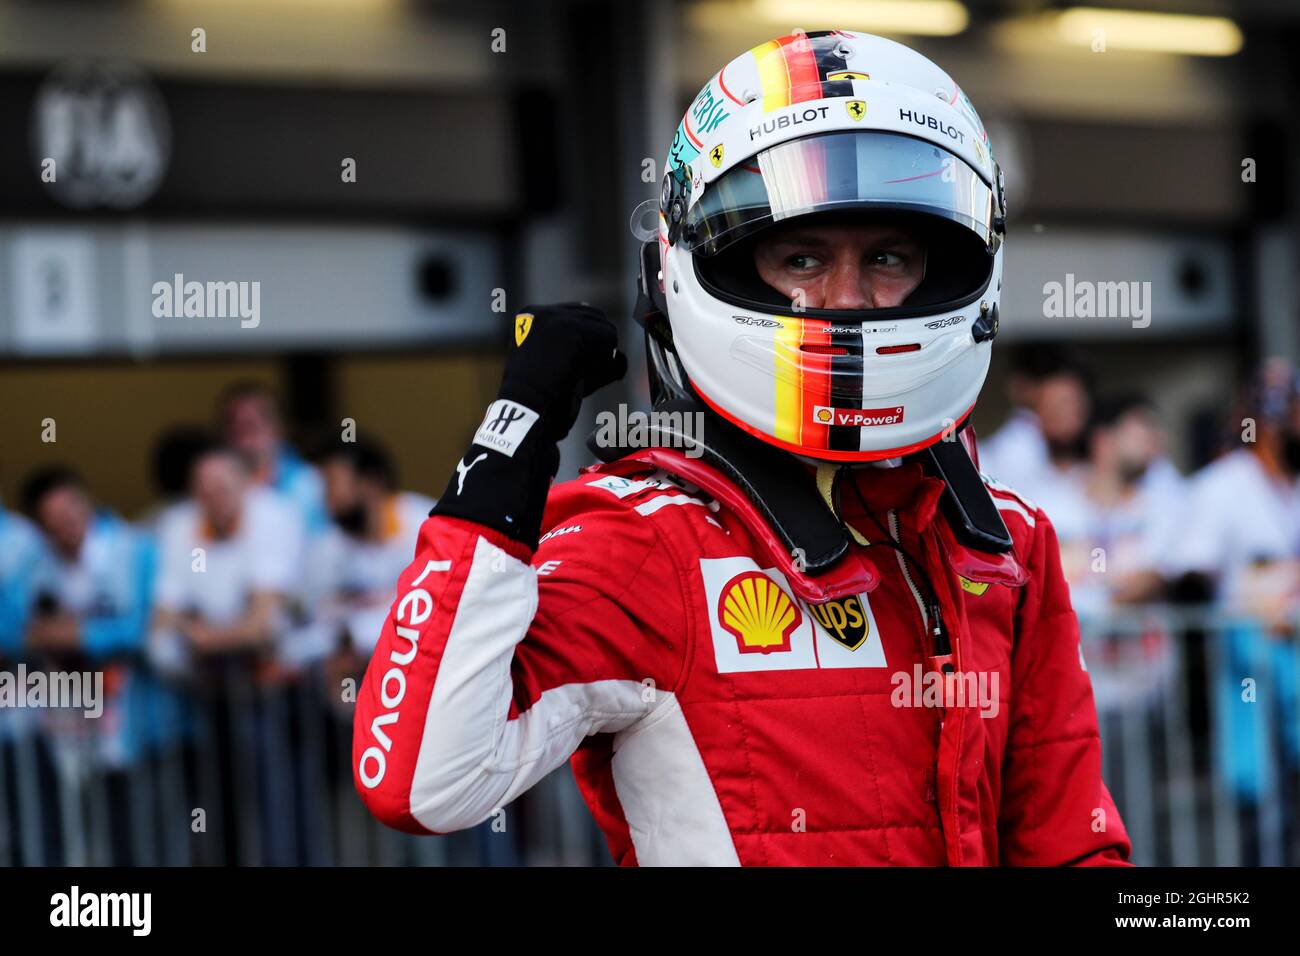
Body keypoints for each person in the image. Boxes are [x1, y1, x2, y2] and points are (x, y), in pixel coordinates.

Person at [352, 30, 1129, 866]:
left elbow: (1071, 842)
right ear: (699, 265)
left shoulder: (1006, 542)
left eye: (889, 259)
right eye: (800, 257)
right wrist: (503, 454)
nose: (846, 300)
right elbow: (422, 780)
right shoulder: (641, 540)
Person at [218, 381, 328, 535]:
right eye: (235, 424)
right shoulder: (212, 485)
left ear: (279, 427)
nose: (244, 436)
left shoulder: (309, 483)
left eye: (252, 425)